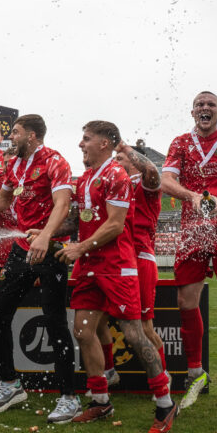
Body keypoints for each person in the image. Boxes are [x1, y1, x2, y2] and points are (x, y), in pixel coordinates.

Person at [57, 121, 177, 433]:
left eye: (86, 139)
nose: (80, 144)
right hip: (89, 266)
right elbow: (78, 223)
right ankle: (100, 400)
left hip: (117, 267)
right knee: (83, 331)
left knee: (135, 335)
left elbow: (115, 226)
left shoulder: (117, 175)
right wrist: (44, 234)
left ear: (105, 144)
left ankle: (164, 401)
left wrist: (79, 247)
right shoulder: (84, 180)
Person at [0, 114, 78, 422]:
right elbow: (2, 199)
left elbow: (62, 204)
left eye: (14, 132)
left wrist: (46, 235)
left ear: (32, 135)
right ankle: (11, 384)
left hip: (50, 250)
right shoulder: (14, 164)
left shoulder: (56, 161)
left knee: (55, 321)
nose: (9, 137)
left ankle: (68, 397)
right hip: (23, 248)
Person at [161, 91, 217, 410]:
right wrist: (192, 197)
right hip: (191, 229)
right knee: (186, 300)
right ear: (192, 111)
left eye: (210, 105)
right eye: (199, 104)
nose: (204, 108)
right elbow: (166, 180)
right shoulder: (179, 143)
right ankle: (195, 374)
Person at [94, 140, 166, 386]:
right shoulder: (115, 186)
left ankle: (162, 379)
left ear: (135, 161)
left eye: (120, 159)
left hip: (140, 260)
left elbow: (152, 171)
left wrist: (124, 146)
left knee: (144, 328)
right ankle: (110, 372)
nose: (115, 162)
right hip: (112, 261)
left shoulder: (146, 184)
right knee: (98, 321)